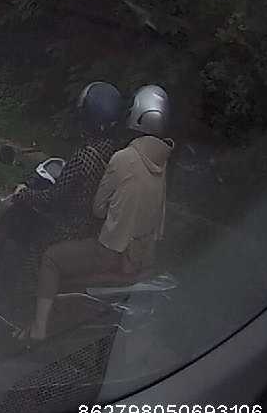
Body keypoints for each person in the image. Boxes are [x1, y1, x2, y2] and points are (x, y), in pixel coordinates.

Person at [24, 84, 172, 342]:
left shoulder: (121, 158)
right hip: (144, 253)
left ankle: (39, 329)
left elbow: (97, 208)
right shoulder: (160, 162)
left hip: (113, 250)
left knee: (49, 257)